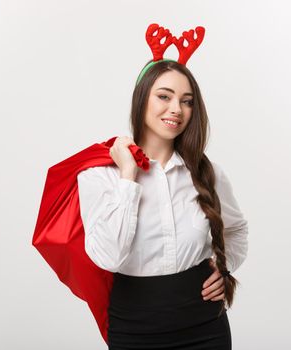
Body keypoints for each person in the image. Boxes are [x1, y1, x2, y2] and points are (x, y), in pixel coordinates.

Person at [76, 24, 249, 349]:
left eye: (187, 101)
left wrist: (223, 269)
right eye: (164, 96)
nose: (176, 109)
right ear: (142, 99)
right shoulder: (100, 176)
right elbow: (109, 258)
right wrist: (128, 175)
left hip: (204, 325)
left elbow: (237, 230)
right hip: (135, 327)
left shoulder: (208, 173)